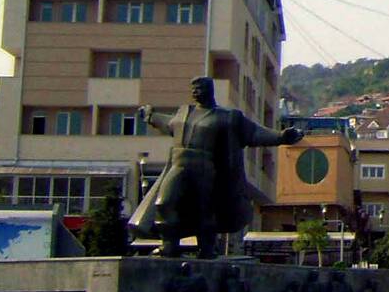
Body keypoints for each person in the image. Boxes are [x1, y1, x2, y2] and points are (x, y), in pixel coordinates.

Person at [129, 76, 301, 258]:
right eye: (193, 88)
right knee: (165, 202)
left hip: (205, 168)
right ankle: (169, 245)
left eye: (199, 88)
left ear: (210, 90)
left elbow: (254, 133)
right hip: (179, 165)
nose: (195, 92)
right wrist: (150, 116)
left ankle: (207, 248)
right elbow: (168, 123)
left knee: (205, 209)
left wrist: (281, 136)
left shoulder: (226, 117)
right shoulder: (185, 112)